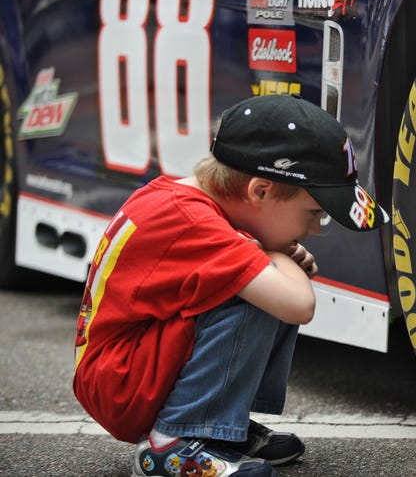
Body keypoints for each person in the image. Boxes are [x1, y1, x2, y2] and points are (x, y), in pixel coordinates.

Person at [72, 94, 389, 476]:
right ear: (259, 191)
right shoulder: (194, 223)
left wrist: (273, 257)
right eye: (314, 213)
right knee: (255, 292)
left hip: (125, 368)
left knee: (258, 278)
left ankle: (221, 425)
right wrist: (278, 257)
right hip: (121, 383)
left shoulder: (189, 202)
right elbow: (298, 305)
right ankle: (173, 442)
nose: (313, 230)